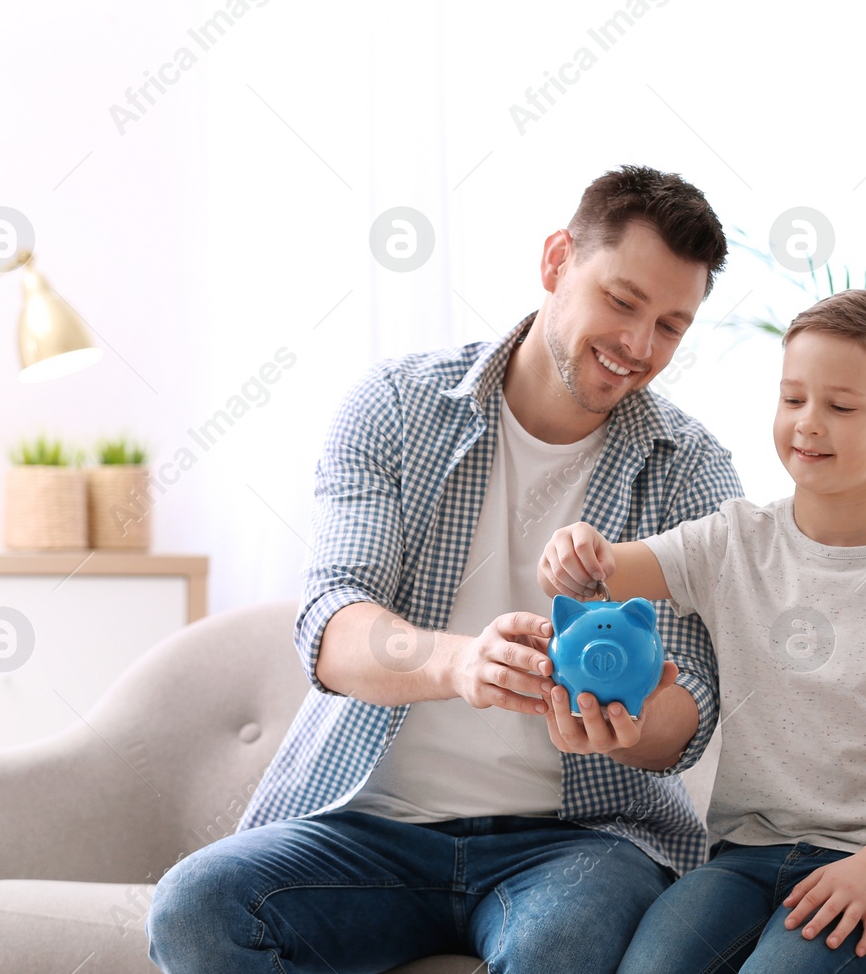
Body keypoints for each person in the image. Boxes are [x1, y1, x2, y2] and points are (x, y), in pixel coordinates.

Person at [146, 166, 746, 974]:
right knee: (196, 908)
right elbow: (330, 620)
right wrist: (459, 662)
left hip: (578, 843)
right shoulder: (394, 408)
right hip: (369, 828)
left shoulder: (691, 471)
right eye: (623, 301)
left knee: (559, 949)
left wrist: (636, 729)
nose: (639, 347)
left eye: (671, 325)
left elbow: (693, 710)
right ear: (557, 262)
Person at [540, 288, 866, 973]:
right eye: (793, 399)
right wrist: (574, 549)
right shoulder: (733, 540)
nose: (808, 423)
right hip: (743, 858)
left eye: (840, 406)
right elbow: (602, 570)